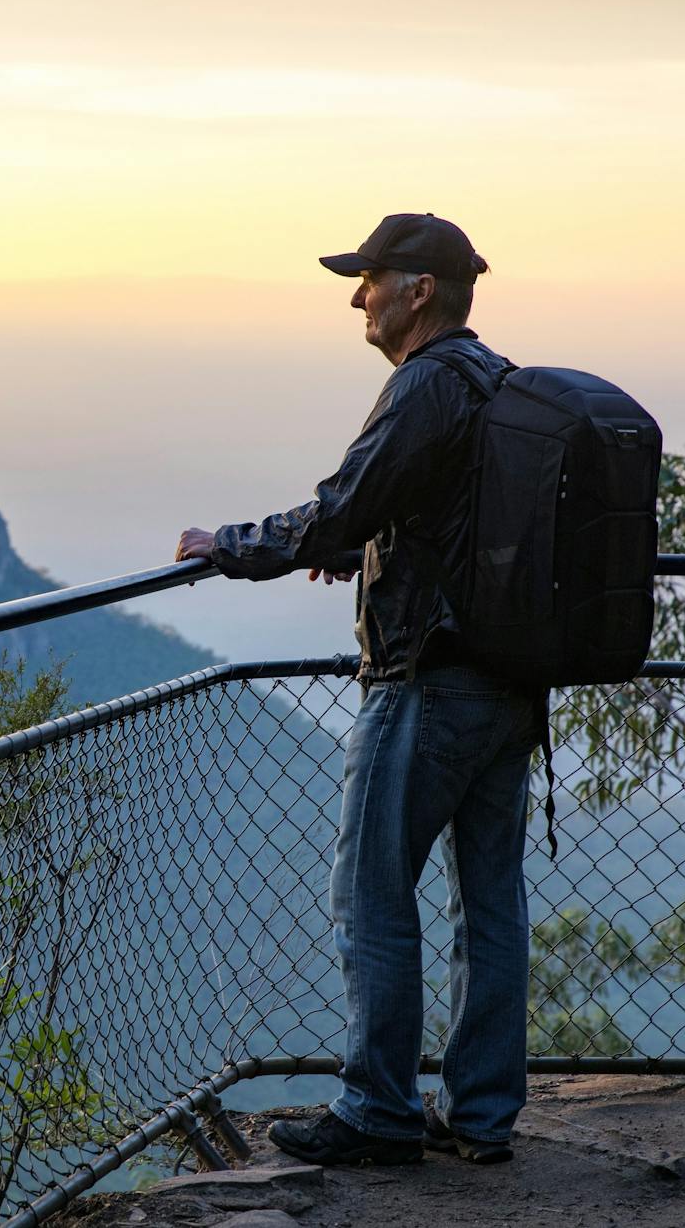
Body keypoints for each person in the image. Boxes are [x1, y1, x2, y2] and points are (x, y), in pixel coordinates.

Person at [174, 213, 543, 1168]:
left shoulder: (424, 384)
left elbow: (347, 501)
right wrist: (361, 545)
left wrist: (232, 546)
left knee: (370, 891)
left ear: (421, 290)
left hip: (428, 678)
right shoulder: (495, 379)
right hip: (510, 681)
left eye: (371, 277)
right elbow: (414, 512)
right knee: (489, 901)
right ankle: (482, 1116)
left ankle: (379, 1110)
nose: (356, 295)